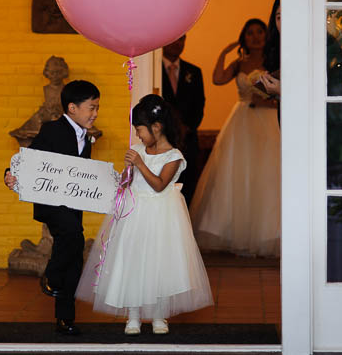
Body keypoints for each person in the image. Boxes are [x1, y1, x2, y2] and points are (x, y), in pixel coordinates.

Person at [76, 94, 213, 336]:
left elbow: (159, 184)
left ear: (157, 127)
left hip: (162, 215)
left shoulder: (174, 156)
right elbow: (129, 181)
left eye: (140, 129)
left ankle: (159, 315)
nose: (138, 135)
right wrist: (125, 172)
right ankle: (134, 315)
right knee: (132, 262)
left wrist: (139, 163)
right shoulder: (137, 150)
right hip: (134, 213)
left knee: (159, 264)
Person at [4, 80, 100, 336]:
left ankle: (64, 318)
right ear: (72, 108)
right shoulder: (52, 130)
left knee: (73, 254)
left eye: (97, 108)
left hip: (72, 206)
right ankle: (51, 277)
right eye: (91, 107)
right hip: (52, 205)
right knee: (72, 237)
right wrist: (9, 174)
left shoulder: (86, 138)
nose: (95, 113)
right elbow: (31, 157)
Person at [189, 18, 281, 257]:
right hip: (241, 121)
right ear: (244, 37)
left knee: (267, 174)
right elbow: (217, 79)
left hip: (269, 120)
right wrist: (224, 52)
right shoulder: (239, 63)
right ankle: (231, 232)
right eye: (250, 33)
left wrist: (269, 101)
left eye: (260, 32)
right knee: (236, 173)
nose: (256, 37)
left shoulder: (275, 59)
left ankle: (269, 233)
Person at [160, 34, 206, 206]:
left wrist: (186, 128)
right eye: (173, 38)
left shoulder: (194, 71)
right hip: (162, 140)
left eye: (181, 39)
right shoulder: (152, 69)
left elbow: (199, 104)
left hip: (188, 140)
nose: (177, 43)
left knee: (188, 186)